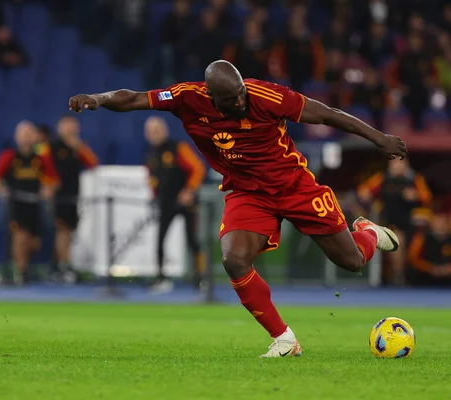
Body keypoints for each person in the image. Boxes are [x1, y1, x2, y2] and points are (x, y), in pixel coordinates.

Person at [68, 60, 407, 358]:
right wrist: (98, 99)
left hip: (294, 186)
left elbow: (327, 114)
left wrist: (379, 138)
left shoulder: (268, 96)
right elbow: (134, 98)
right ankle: (284, 339)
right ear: (213, 98)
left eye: (242, 93)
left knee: (351, 262)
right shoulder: (188, 97)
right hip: (247, 192)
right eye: (232, 100)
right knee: (233, 259)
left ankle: (368, 234)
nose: (241, 101)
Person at [0, 121, 59, 285]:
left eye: (29, 134)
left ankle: (22, 266)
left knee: (34, 243)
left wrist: (47, 191)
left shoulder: (41, 159)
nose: (26, 138)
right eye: (23, 134)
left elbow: (53, 181)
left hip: (34, 204)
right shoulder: (9, 156)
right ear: (17, 137)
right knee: (20, 235)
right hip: (16, 203)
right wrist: (3, 191)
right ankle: (21, 272)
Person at [144, 116, 206, 294]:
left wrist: (189, 190)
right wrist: (154, 193)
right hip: (165, 202)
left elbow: (197, 168)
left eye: (156, 130)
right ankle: (161, 277)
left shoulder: (178, 148)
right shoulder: (151, 153)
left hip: (185, 201)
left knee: (192, 240)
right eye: (150, 131)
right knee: (160, 239)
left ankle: (200, 278)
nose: (153, 134)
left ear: (164, 131)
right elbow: (151, 176)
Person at [38, 116, 98, 283]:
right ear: (59, 128)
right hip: (58, 195)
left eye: (73, 126)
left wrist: (78, 146)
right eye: (67, 126)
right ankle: (65, 266)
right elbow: (41, 166)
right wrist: (49, 184)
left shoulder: (78, 147)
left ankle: (56, 266)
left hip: (73, 194)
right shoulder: (50, 146)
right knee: (62, 229)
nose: (70, 130)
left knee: (68, 231)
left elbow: (93, 162)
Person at [357, 157, 432, 286]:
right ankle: (398, 276)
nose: (398, 166)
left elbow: (427, 198)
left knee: (410, 249)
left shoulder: (414, 179)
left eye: (401, 163)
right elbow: (363, 191)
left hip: (409, 222)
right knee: (397, 241)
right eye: (395, 163)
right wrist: (370, 201)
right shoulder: (382, 178)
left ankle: (403, 275)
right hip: (388, 221)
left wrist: (415, 195)